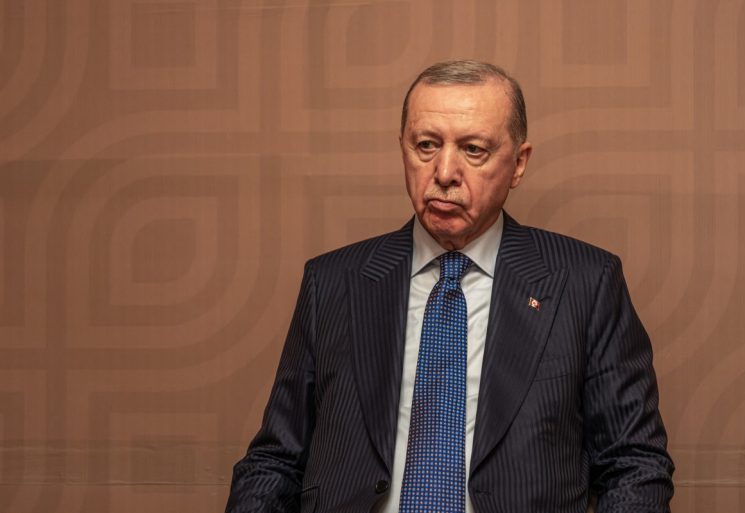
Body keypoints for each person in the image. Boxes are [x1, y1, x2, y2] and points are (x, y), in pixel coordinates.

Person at [225, 60, 674, 513]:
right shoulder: (332, 283)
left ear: (518, 164)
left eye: (473, 150)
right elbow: (276, 462)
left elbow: (634, 465)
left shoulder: (586, 282)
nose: (443, 172)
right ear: (402, 148)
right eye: (426, 145)